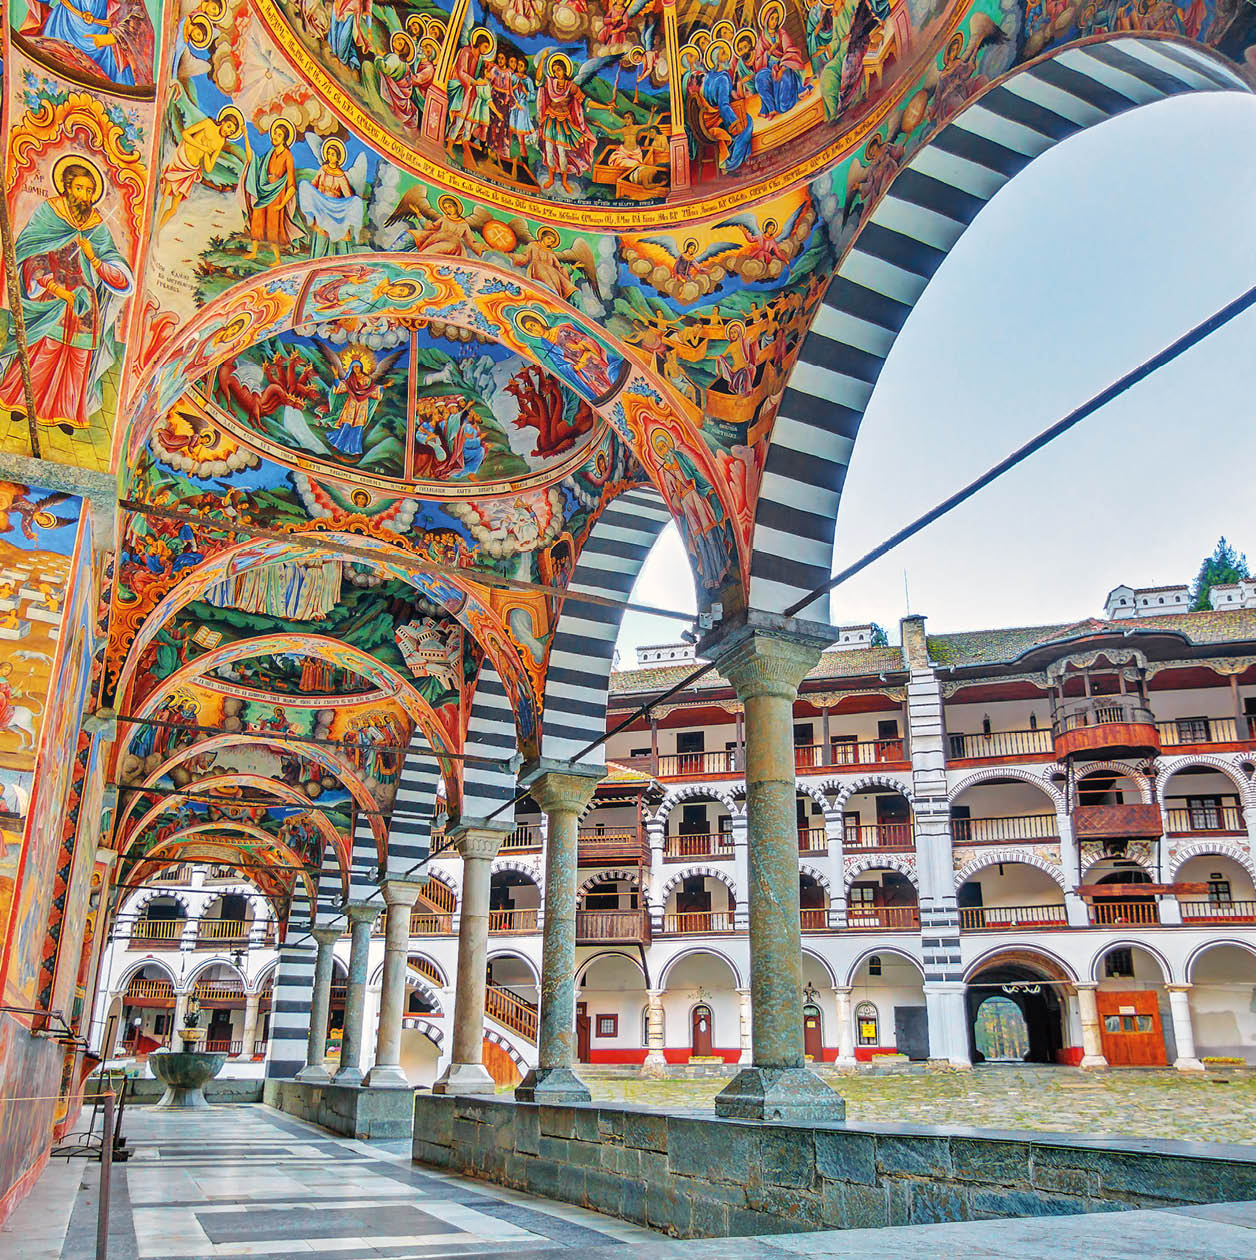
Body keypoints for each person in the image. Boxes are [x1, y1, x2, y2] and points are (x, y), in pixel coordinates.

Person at [0, 157, 133, 436]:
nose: (84, 195)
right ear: (66, 187)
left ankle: (66, 413)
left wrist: (93, 259)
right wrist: (56, 290)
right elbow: (31, 254)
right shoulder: (49, 213)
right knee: (44, 350)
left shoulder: (96, 224)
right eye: (80, 188)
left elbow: (115, 268)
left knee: (78, 357)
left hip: (85, 301)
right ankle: (19, 402)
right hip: (52, 296)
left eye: (89, 190)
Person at [157, 106, 245, 228]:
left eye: (231, 132)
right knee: (164, 197)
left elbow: (208, 168)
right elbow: (185, 134)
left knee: (173, 209)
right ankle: (153, 227)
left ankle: (158, 230)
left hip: (190, 169)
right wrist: (202, 147)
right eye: (228, 126)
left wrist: (207, 154)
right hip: (181, 159)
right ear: (224, 121)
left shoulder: (220, 142)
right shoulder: (208, 123)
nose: (227, 131)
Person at [537, 53, 596, 192]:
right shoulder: (551, 83)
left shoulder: (571, 87)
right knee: (549, 150)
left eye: (559, 69)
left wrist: (606, 107)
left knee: (562, 153)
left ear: (565, 70)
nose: (557, 72)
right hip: (550, 120)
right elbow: (539, 79)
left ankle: (564, 182)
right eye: (555, 70)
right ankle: (551, 179)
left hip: (564, 124)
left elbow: (585, 100)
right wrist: (542, 59)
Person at [297, 137, 364, 257]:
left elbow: (347, 194)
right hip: (322, 207)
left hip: (334, 208)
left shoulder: (341, 176)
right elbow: (313, 184)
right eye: (328, 153)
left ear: (338, 157)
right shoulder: (323, 170)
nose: (330, 156)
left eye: (333, 154)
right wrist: (307, 190)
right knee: (321, 233)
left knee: (341, 235)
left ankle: (344, 263)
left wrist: (354, 202)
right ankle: (316, 261)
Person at [243, 118, 299, 264]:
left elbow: (292, 184)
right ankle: (254, 252)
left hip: (277, 193)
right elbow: (253, 161)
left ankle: (277, 259)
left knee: (274, 224)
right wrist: (245, 136)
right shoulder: (270, 153)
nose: (275, 136)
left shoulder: (287, 155)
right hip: (265, 188)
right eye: (274, 133)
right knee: (257, 218)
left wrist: (283, 204)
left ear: (284, 138)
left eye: (279, 135)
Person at [700, 40, 753, 174]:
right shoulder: (723, 78)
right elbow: (723, 106)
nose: (727, 56)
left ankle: (742, 158)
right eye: (723, 54)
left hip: (711, 117)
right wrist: (735, 122)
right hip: (720, 119)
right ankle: (732, 163)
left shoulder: (709, 76)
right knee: (748, 123)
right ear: (717, 59)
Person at [753, 0, 806, 116]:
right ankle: (771, 108)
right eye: (772, 18)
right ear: (766, 19)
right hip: (769, 69)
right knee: (759, 79)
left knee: (784, 99)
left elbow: (790, 50)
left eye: (776, 19)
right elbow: (757, 62)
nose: (774, 22)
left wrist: (782, 68)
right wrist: (768, 53)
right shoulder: (761, 40)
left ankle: (783, 104)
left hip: (784, 65)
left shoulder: (782, 34)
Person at [326, 353, 383, 457]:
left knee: (358, 426)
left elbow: (372, 390)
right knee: (347, 423)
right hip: (351, 403)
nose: (356, 369)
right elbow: (340, 387)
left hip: (362, 405)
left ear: (361, 367)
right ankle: (338, 444)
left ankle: (355, 449)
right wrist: (335, 375)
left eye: (357, 366)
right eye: (354, 367)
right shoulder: (350, 379)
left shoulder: (367, 379)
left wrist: (383, 387)